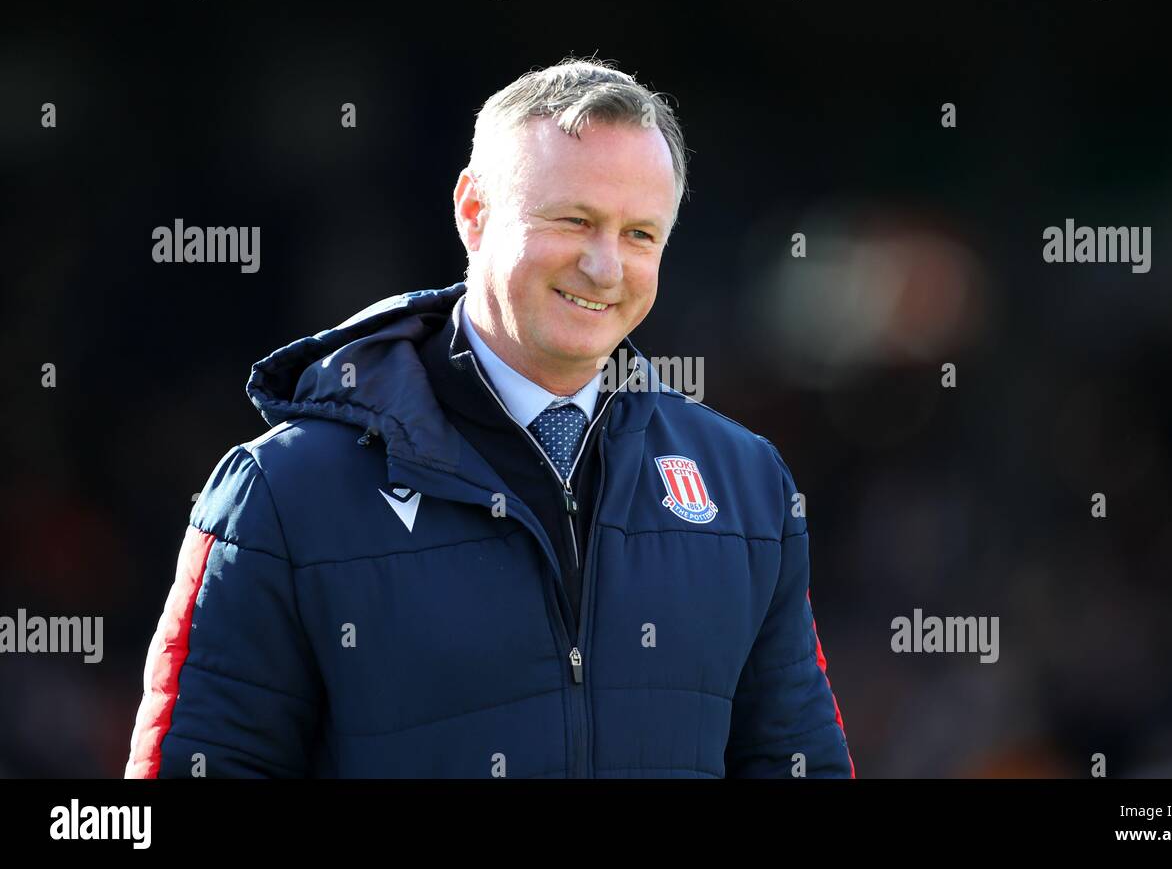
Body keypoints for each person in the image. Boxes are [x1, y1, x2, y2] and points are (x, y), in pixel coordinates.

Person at [125, 57, 854, 778]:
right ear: (473, 212)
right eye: (575, 220)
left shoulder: (745, 485)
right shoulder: (283, 491)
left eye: (640, 234)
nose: (605, 267)